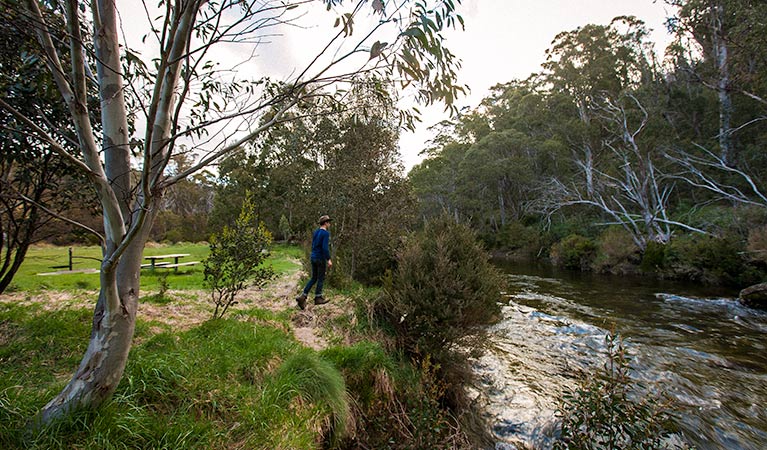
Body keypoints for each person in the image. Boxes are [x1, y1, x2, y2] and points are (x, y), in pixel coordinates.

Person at [295, 215, 333, 310]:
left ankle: (303, 296)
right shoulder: (325, 234)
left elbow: (314, 245)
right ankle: (318, 297)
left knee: (314, 278)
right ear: (325, 223)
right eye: (328, 222)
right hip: (320, 258)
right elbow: (325, 248)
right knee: (321, 278)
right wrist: (328, 259)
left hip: (313, 256)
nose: (329, 224)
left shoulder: (316, 232)